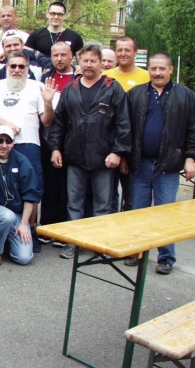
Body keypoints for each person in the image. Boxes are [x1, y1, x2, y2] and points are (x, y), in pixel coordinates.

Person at [47, 44, 131, 259]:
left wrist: (118, 152)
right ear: (79, 62)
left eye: (93, 61)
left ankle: (100, 244)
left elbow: (123, 124)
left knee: (103, 205)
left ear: (101, 63)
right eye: (85, 61)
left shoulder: (113, 88)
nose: (89, 65)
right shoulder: (71, 89)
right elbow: (59, 123)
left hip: (104, 158)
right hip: (74, 157)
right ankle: (73, 243)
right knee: (74, 204)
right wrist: (55, 148)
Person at [122, 53, 195, 274]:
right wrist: (124, 156)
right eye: (154, 69)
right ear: (148, 70)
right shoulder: (136, 94)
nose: (157, 73)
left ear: (170, 70)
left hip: (168, 165)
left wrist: (190, 158)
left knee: (165, 213)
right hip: (139, 164)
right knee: (137, 210)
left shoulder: (185, 95)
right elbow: (125, 128)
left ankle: (166, 258)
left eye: (162, 69)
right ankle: (136, 251)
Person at [0, 50, 57, 250]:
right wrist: (6, 124)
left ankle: (29, 229)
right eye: (13, 66)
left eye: (21, 66)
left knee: (31, 187)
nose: (16, 70)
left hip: (28, 144)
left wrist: (48, 103)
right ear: (6, 67)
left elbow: (47, 121)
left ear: (28, 68)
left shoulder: (37, 86)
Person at [32, 42, 76, 246]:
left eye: (63, 54)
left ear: (71, 55)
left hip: (73, 139)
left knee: (68, 187)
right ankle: (47, 226)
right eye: (55, 55)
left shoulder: (79, 77)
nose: (59, 58)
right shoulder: (44, 77)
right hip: (48, 138)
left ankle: (63, 229)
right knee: (49, 185)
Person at [0, 125, 41, 265]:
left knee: (24, 258)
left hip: (17, 214)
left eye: (8, 141)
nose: (4, 145)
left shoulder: (22, 161)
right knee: (7, 216)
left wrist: (24, 224)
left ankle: (6, 238)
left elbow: (30, 195)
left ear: (14, 143)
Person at [104, 36, 149, 212]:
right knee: (107, 197)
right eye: (119, 50)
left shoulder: (146, 77)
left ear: (135, 52)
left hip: (135, 147)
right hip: (108, 146)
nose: (123, 54)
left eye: (127, 50)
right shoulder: (106, 76)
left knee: (132, 197)